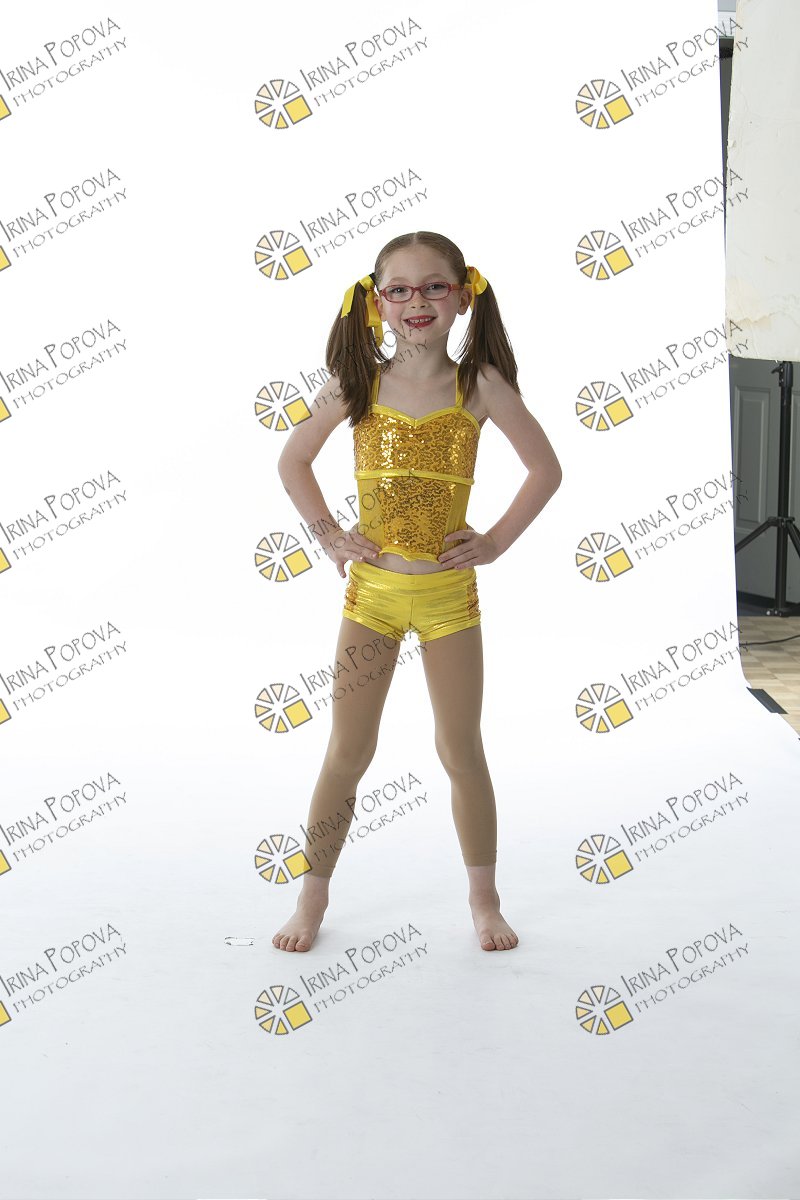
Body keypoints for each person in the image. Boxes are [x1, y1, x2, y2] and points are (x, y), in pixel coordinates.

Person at [273, 230, 562, 953]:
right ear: (377, 304)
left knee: (460, 749)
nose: (417, 301)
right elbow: (294, 458)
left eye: (434, 286)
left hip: (448, 602)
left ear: (463, 296)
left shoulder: (479, 386)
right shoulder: (357, 384)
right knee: (348, 751)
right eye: (399, 290)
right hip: (371, 597)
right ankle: (311, 898)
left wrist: (494, 542)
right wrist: (329, 535)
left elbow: (545, 469)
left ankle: (484, 901)